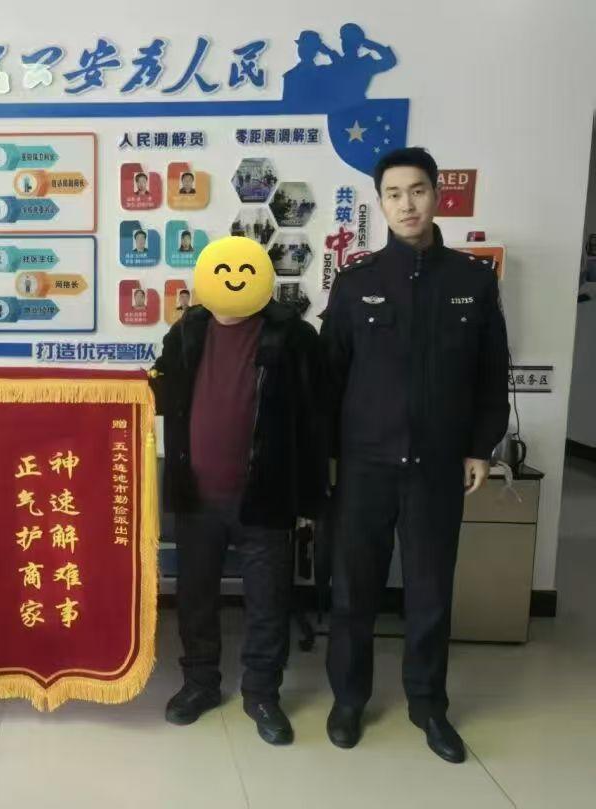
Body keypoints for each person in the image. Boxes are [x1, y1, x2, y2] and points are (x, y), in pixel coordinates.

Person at [320, 147, 509, 763]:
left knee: (430, 593)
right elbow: (330, 377)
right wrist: (328, 455)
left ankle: (428, 705)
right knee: (353, 592)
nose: (407, 204)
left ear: (437, 196)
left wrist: (480, 447)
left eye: (418, 191)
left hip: (438, 466)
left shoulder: (472, 281)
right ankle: (349, 699)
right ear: (381, 203)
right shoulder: (357, 282)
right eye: (395, 194)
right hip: (365, 465)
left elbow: (491, 373)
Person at [153, 236, 326, 746]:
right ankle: (200, 683)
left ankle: (262, 693)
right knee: (195, 598)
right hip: (196, 496)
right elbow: (159, 394)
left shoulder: (293, 336)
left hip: (265, 497)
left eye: (242, 271)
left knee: (268, 601)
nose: (231, 281)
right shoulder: (186, 332)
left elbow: (316, 419)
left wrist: (310, 499)